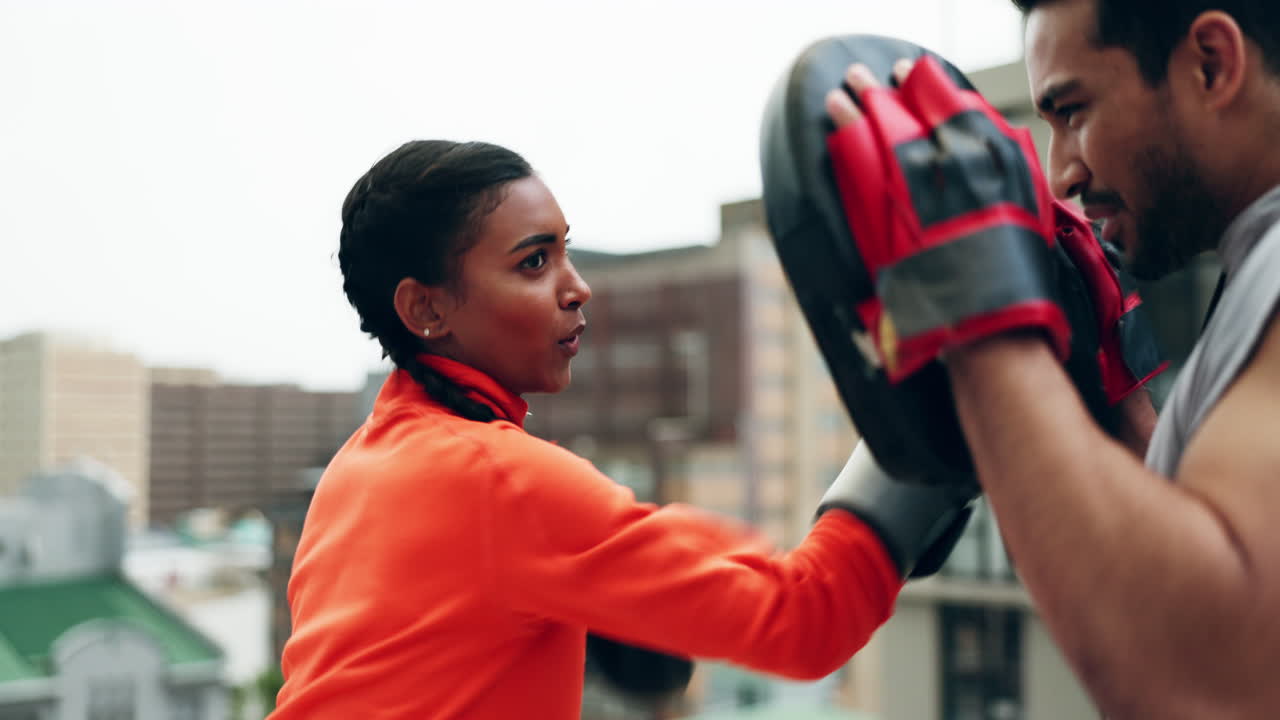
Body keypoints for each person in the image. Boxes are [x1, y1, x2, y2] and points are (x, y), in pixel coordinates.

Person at [270, 139, 977, 719]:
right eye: (534, 262)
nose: (578, 286)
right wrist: (916, 439)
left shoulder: (355, 471)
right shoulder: (501, 480)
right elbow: (804, 620)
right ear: (426, 309)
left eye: (565, 252)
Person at [823, 0, 1280, 716]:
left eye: (1073, 111)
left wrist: (978, 311)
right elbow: (1211, 577)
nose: (1062, 171)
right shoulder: (1255, 269)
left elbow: (1198, 680)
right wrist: (1116, 406)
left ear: (1210, 65)